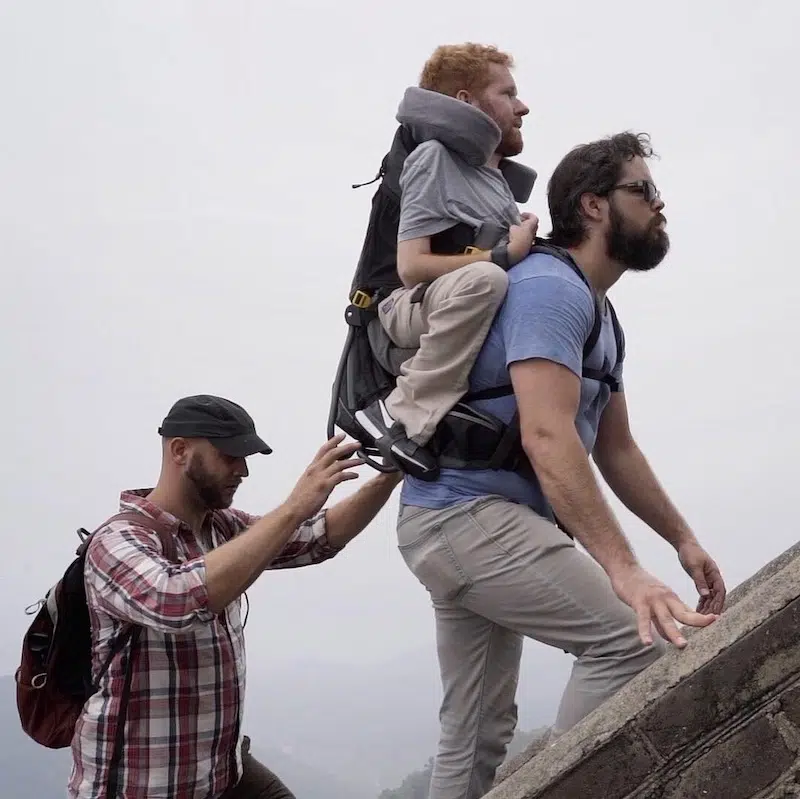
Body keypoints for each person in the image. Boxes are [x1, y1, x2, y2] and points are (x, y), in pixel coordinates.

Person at [393, 133, 727, 799]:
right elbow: (548, 436)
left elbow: (616, 447)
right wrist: (625, 571)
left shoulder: (598, 310)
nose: (660, 204)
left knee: (476, 733)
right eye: (644, 190)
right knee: (631, 642)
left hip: (455, 523)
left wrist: (682, 540)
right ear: (593, 205)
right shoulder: (550, 289)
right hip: (468, 517)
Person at [67, 394, 401, 799]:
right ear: (180, 451)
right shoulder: (117, 540)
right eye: (230, 455)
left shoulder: (220, 528)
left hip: (221, 774)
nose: (242, 470)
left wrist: (393, 471)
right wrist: (293, 508)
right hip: (143, 787)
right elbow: (175, 601)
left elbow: (316, 537)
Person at [356, 43, 539, 482]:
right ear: (465, 101)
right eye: (508, 94)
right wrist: (503, 254)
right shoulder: (432, 158)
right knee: (487, 279)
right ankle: (400, 418)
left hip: (447, 298)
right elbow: (411, 267)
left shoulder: (493, 179)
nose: (523, 107)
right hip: (400, 307)